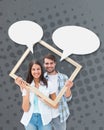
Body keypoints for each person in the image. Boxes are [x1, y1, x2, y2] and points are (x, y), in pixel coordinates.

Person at [15, 60, 57, 130]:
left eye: (38, 69)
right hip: (30, 119)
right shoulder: (26, 85)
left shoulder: (49, 84)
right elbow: (25, 109)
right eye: (33, 69)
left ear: (41, 70)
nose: (36, 72)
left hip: (45, 119)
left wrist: (44, 100)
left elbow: (56, 105)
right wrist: (27, 91)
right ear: (30, 71)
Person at [43, 54, 73, 130]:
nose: (49, 65)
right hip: (45, 114)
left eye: (51, 63)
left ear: (55, 63)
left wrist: (68, 88)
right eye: (47, 63)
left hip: (59, 114)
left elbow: (68, 98)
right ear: (44, 64)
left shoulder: (64, 77)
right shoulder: (41, 78)